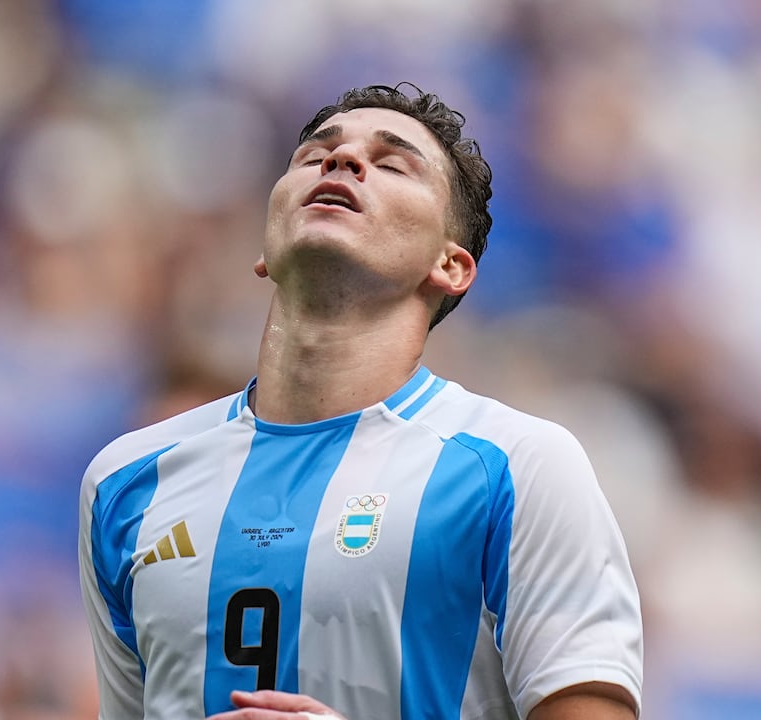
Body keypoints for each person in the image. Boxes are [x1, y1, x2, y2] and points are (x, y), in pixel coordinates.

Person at [78, 84, 643, 720]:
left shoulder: (516, 465)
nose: (340, 161)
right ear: (264, 249)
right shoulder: (124, 480)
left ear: (450, 265)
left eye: (393, 162)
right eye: (314, 155)